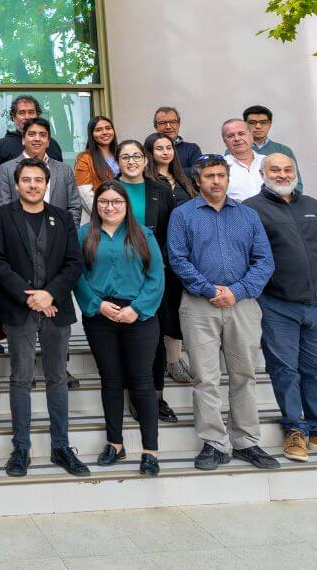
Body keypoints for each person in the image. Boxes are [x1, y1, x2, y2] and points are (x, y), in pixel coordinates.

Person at [246, 154, 317, 463]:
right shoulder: (251, 210)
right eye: (275, 170)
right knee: (285, 370)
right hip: (277, 305)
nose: (282, 175)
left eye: (287, 170)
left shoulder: (314, 206)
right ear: (262, 172)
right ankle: (295, 430)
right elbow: (249, 258)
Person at [168, 155, 279, 471]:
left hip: (241, 305)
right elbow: (178, 259)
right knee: (205, 377)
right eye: (210, 176)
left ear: (228, 178)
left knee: (244, 375)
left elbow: (264, 261)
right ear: (197, 180)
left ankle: (246, 442)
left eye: (221, 175)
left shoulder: (248, 215)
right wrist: (209, 289)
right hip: (199, 305)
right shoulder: (183, 215)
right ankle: (214, 443)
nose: (216, 181)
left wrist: (237, 291)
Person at [0, 158, 88, 477]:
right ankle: (21, 449)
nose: (32, 185)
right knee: (20, 378)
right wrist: (31, 296)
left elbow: (74, 263)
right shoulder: (2, 216)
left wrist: (50, 294)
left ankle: (61, 447)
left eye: (38, 180)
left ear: (47, 184)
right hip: (19, 310)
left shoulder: (62, 218)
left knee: (57, 378)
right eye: (26, 180)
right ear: (16, 185)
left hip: (56, 310)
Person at [75, 180, 167, 476]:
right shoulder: (83, 235)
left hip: (138, 315)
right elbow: (77, 277)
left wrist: (137, 309)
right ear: (96, 205)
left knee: (142, 382)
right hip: (100, 315)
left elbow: (156, 276)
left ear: (126, 205)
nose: (110, 207)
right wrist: (97, 304)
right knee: (111, 380)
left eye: (116, 202)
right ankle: (115, 443)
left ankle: (150, 450)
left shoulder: (143, 234)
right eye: (104, 202)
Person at [115, 139, 178, 424]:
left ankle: (157, 395)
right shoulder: (111, 189)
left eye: (136, 156)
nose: (131, 161)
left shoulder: (161, 190)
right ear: (118, 161)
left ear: (145, 159)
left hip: (155, 273)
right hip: (122, 274)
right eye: (125, 157)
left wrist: (161, 262)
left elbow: (170, 232)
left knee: (155, 338)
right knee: (128, 337)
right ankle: (136, 395)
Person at [143, 132, 198, 386]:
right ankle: (163, 360)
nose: (165, 152)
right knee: (162, 308)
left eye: (168, 147)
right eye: (158, 148)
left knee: (177, 308)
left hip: (185, 254)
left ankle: (175, 359)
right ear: (150, 153)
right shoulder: (148, 182)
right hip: (159, 254)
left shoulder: (185, 180)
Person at [0, 116, 80, 221]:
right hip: (18, 234)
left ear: (48, 142)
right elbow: (3, 208)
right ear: (23, 140)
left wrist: (67, 233)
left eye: (42, 135)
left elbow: (75, 206)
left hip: (59, 233)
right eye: (31, 134)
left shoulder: (64, 170)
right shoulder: (6, 169)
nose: (37, 139)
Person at [0, 94, 64, 187]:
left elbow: (60, 180)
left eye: (31, 112)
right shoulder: (2, 146)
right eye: (22, 113)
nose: (27, 117)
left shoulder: (51, 144)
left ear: (38, 115)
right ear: (14, 117)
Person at [244, 105, 304, 191]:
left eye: (263, 122)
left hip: (277, 202)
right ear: (245, 125)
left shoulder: (283, 151)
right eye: (252, 122)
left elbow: (297, 185)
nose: (258, 126)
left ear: (270, 124)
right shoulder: (234, 151)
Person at [74, 115, 119, 211]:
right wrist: (105, 214)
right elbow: (86, 195)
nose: (105, 132)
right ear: (92, 134)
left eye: (108, 128)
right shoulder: (84, 159)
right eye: (98, 130)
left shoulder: (121, 154)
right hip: (102, 214)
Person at [221, 118, 266, 201]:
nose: (237, 139)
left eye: (241, 134)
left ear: (251, 137)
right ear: (225, 142)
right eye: (230, 136)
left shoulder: (267, 162)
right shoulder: (219, 167)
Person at [152, 106, 203, 172]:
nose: (168, 127)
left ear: (178, 124)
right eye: (162, 123)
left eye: (173, 122)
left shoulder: (192, 149)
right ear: (155, 127)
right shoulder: (149, 149)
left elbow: (199, 171)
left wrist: (167, 174)